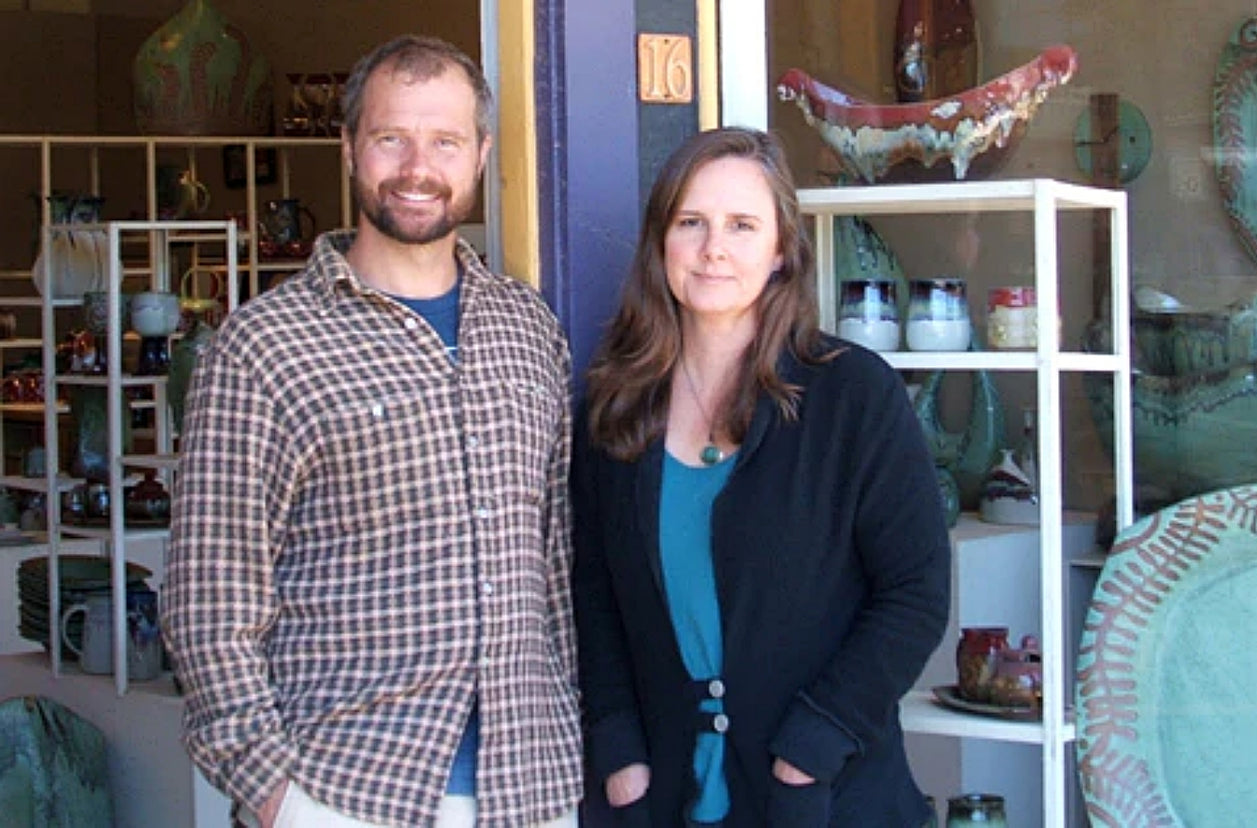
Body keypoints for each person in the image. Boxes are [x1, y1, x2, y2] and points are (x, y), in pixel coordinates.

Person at [163, 35, 581, 828]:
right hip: (343, 791)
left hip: (529, 790)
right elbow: (208, 598)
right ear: (350, 146)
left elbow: (555, 567)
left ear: (482, 154)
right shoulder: (264, 347)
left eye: (445, 141)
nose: (418, 167)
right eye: (392, 138)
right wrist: (274, 796)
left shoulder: (529, 328)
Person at [571, 126, 950, 827]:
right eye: (691, 223)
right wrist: (617, 750)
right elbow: (591, 593)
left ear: (780, 251)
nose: (714, 248)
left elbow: (915, 593)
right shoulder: (612, 404)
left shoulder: (853, 396)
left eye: (742, 225)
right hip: (658, 799)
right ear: (660, 242)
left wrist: (813, 745)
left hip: (825, 796)